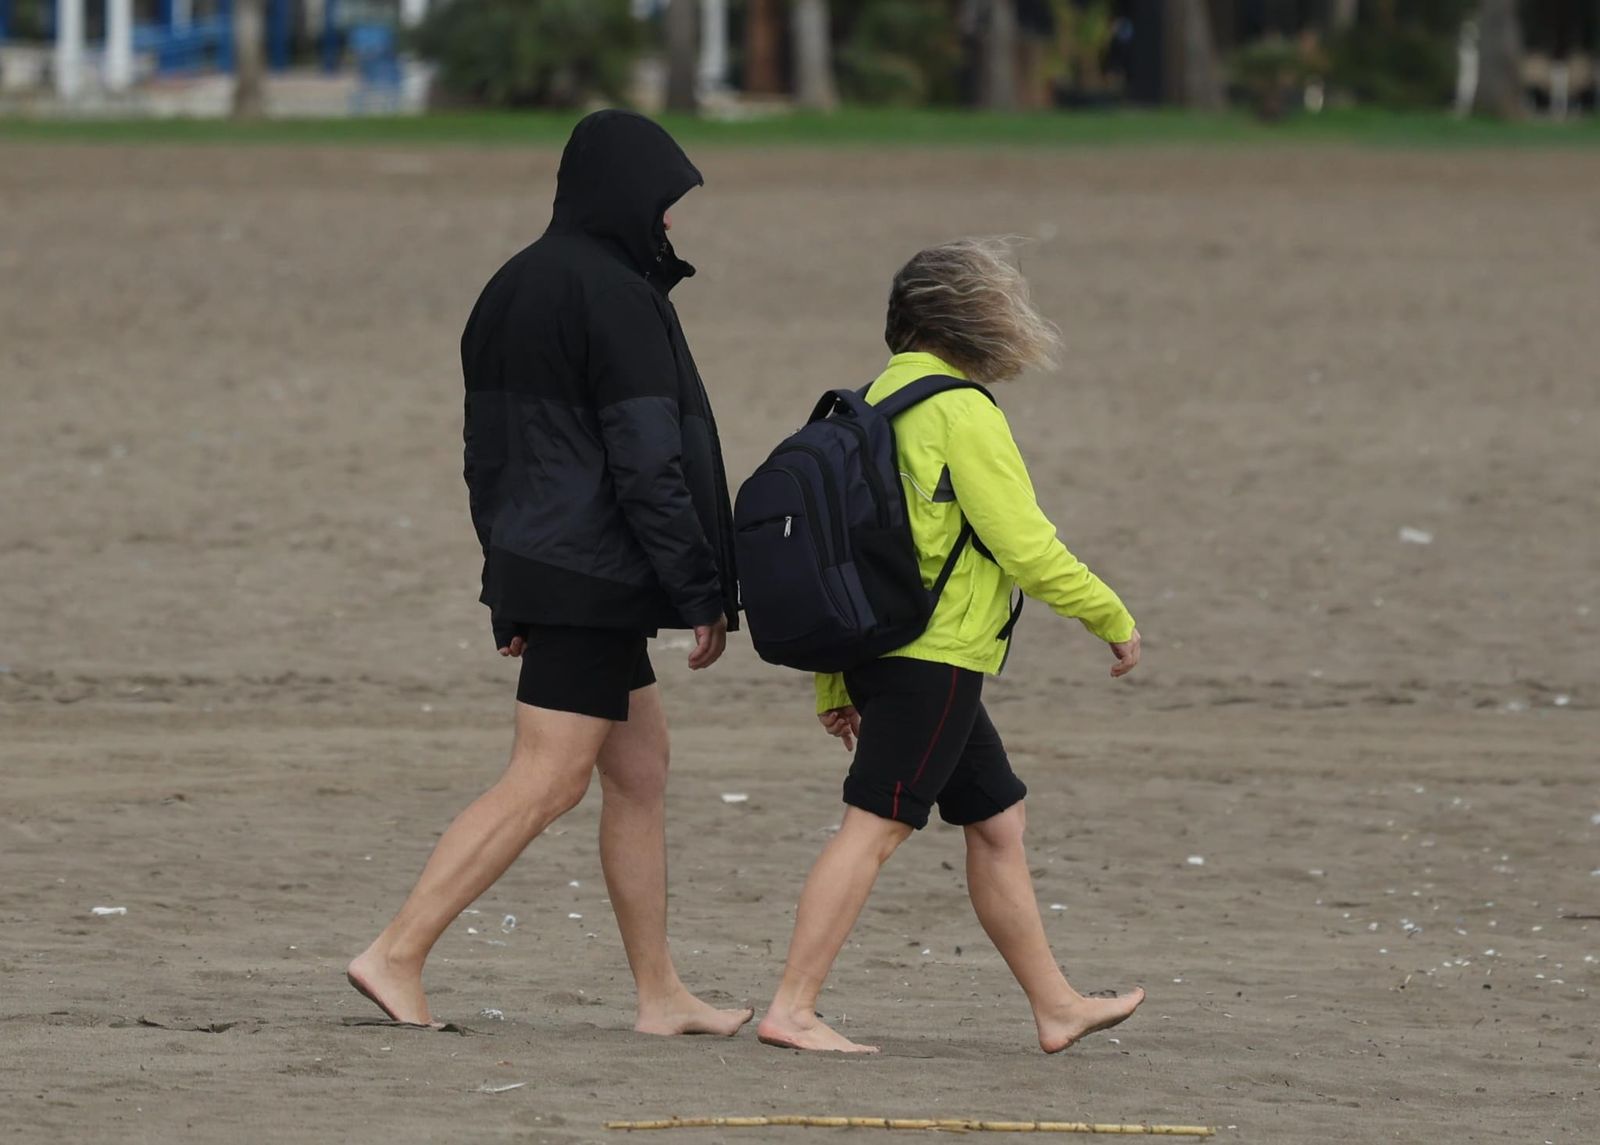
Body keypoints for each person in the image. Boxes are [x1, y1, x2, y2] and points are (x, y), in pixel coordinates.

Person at [348, 110, 749, 1038]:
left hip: (552, 566)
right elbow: (650, 459)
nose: (671, 224)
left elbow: (489, 457)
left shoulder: (510, 286)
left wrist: (508, 584)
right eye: (663, 204)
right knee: (548, 777)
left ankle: (661, 995)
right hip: (593, 575)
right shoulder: (614, 295)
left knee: (639, 766)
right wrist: (699, 591)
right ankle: (395, 952)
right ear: (625, 198)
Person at [756, 239, 1145, 1054]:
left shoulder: (864, 406)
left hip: (890, 654)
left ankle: (1057, 1006)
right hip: (933, 659)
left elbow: (846, 557)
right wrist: (1108, 614)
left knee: (999, 820)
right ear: (971, 321)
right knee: (872, 828)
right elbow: (1025, 546)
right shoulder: (961, 410)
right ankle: (792, 1007)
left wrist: (835, 682)